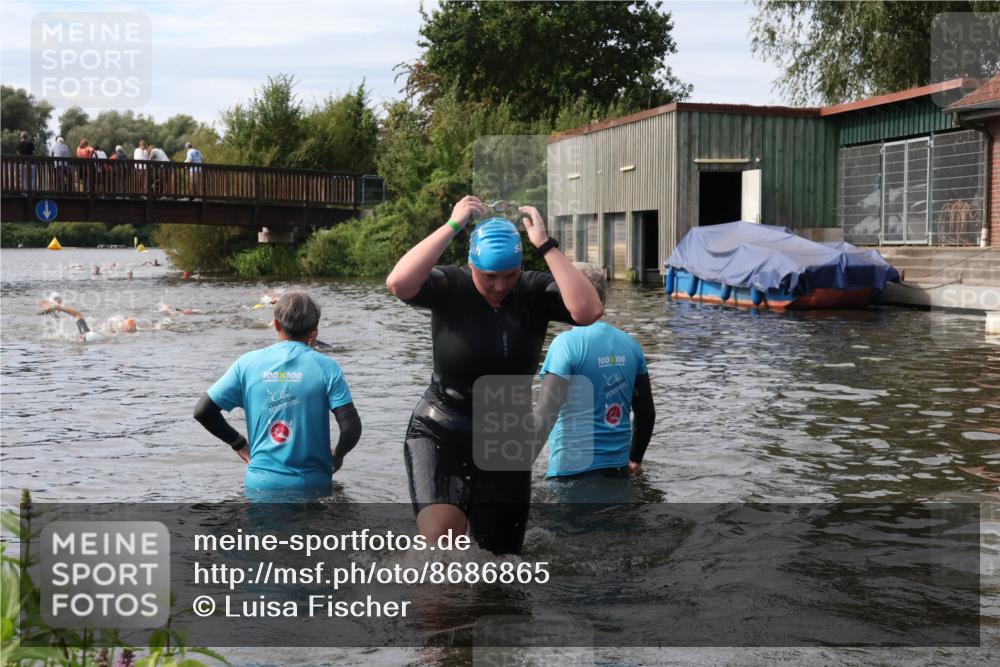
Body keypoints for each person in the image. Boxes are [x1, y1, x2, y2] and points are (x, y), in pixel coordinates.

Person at [385, 195, 603, 555]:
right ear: (471, 264)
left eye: (509, 275)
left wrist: (545, 245)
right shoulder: (451, 287)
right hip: (442, 428)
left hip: (506, 437)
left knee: (500, 565)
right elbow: (399, 283)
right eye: (489, 276)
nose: (501, 285)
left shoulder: (532, 291)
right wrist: (453, 225)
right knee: (442, 543)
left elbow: (588, 310)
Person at [193, 291, 362, 495]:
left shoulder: (246, 364)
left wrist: (240, 444)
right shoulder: (327, 368)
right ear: (314, 328)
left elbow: (203, 411)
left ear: (276, 324)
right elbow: (351, 428)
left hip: (260, 485)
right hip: (312, 485)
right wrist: (338, 455)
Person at [533, 263, 655, 484]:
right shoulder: (631, 344)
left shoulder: (565, 345)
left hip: (568, 473)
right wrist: (635, 459)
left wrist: (513, 472)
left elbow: (545, 416)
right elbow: (646, 414)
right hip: (617, 471)